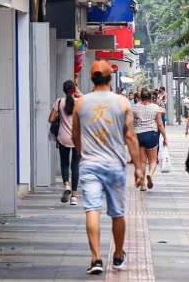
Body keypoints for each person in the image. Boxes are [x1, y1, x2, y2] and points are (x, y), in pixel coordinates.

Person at [72, 60, 144, 275]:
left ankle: (95, 258)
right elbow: (130, 137)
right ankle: (119, 254)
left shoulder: (80, 103)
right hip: (115, 165)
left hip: (90, 164)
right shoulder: (122, 103)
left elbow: (75, 134)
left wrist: (81, 152)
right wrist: (139, 168)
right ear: (111, 77)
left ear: (92, 78)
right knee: (117, 212)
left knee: (92, 210)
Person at [49, 80, 81, 205]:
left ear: (64, 90)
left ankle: (66, 185)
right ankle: (74, 196)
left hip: (63, 137)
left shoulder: (59, 101)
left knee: (64, 164)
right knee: (75, 166)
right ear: (74, 90)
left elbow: (51, 119)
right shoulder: (80, 103)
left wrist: (60, 118)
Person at [133, 88, 168, 191]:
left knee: (142, 161)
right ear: (150, 97)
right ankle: (150, 174)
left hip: (139, 135)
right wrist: (165, 137)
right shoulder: (155, 108)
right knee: (153, 160)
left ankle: (143, 184)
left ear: (141, 97)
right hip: (152, 134)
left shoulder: (134, 108)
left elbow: (130, 122)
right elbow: (160, 124)